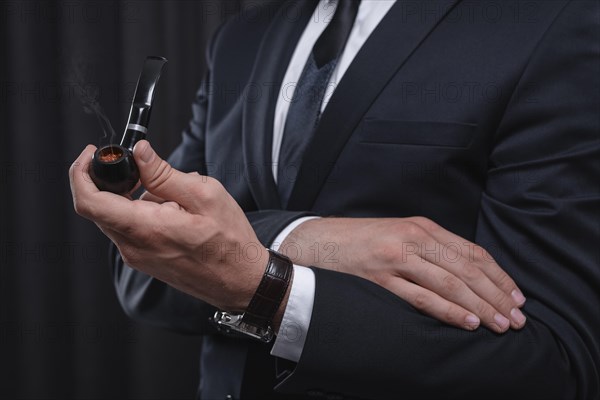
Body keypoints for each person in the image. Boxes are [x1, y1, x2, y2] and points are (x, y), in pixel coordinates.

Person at [69, 0, 600, 399]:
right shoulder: (243, 37)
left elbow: (556, 363)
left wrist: (270, 287)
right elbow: (140, 273)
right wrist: (305, 240)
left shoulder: (549, 24)